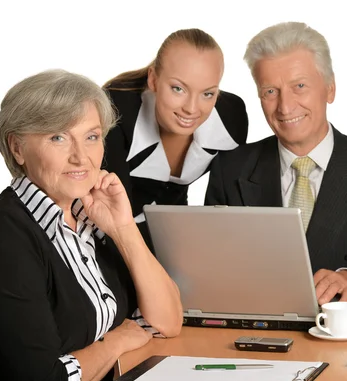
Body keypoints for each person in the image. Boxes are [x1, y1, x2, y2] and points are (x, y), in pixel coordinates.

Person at [0, 70, 183, 381]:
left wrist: (124, 229)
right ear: (17, 148)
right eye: (58, 137)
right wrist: (117, 340)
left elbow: (167, 322)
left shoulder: (88, 214)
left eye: (91, 136)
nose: (81, 157)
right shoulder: (2, 237)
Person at [205, 22, 347, 305]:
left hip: (346, 334)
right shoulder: (230, 168)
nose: (285, 107)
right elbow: (211, 266)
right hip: (256, 329)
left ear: (330, 88)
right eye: (270, 92)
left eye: (299, 86)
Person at [103, 28, 249, 247]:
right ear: (153, 80)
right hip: (110, 234)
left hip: (175, 231)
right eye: (178, 89)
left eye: (207, 93)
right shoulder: (115, 114)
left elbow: (228, 207)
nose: (191, 108)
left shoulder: (231, 119)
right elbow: (115, 220)